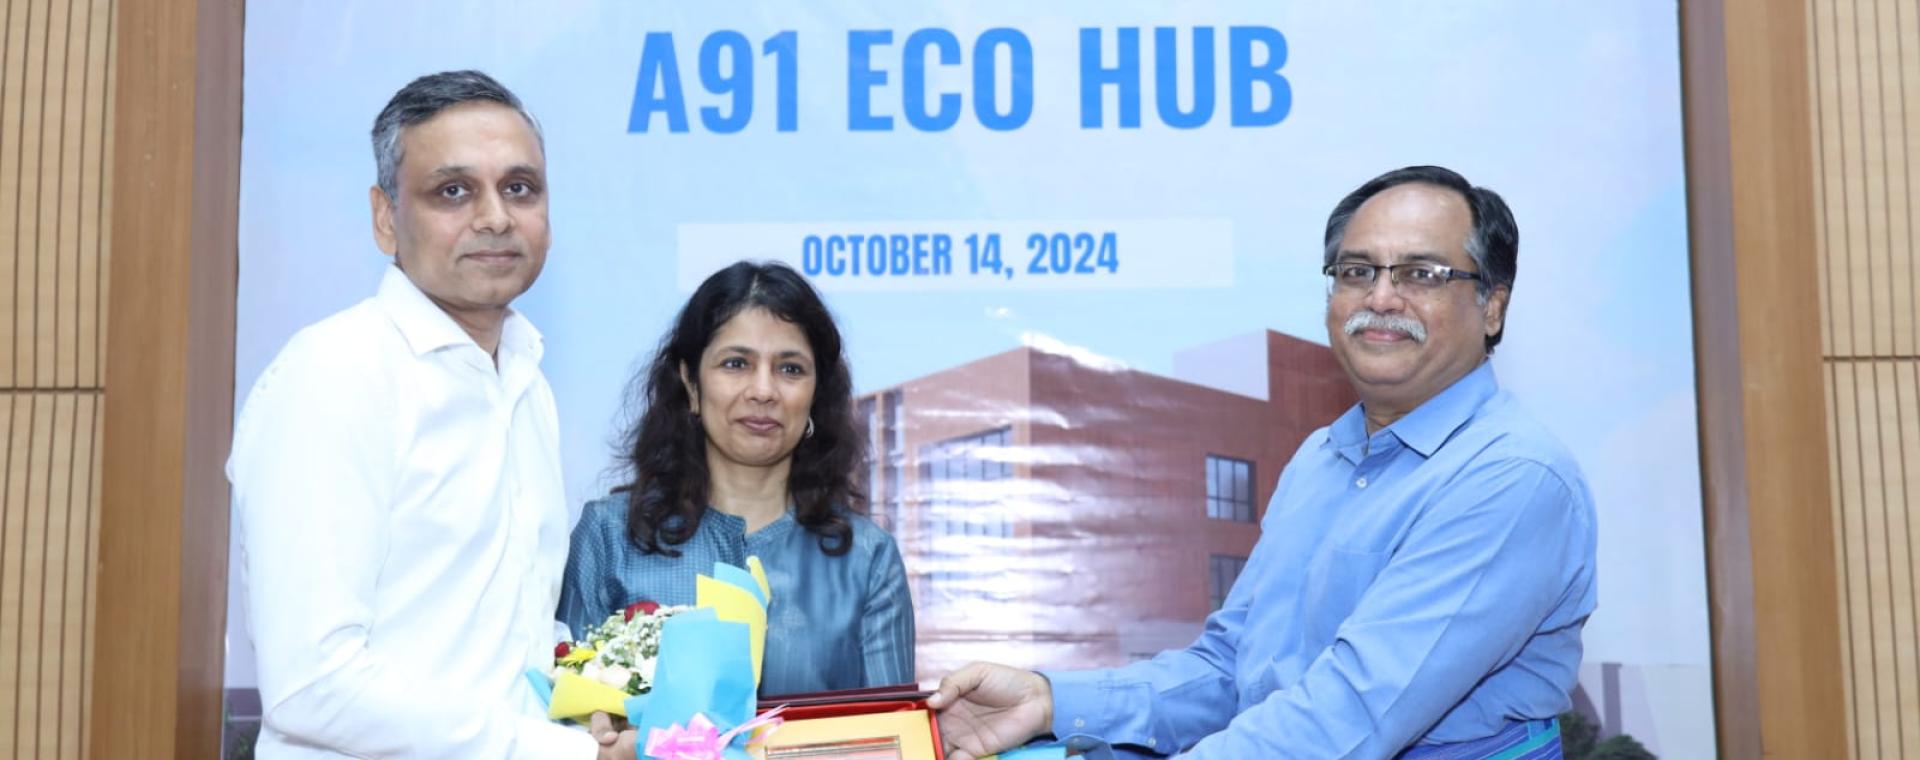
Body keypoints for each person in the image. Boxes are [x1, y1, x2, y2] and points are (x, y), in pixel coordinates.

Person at [928, 166, 1599, 759]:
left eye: (1421, 274)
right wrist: (1050, 702)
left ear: (1493, 306)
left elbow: (1350, 716)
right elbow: (1232, 668)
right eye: (1357, 271)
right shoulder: (1321, 459)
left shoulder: (1512, 477)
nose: (1382, 298)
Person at [229, 70, 634, 758]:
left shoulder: (525, 381)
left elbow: (507, 633)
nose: (495, 217)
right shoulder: (336, 374)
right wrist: (553, 754)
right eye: (453, 191)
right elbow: (312, 685)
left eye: (519, 188)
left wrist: (590, 705)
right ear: (386, 218)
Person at [557, 260, 915, 696]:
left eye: (790, 369)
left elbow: (895, 737)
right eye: (736, 363)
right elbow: (568, 722)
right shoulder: (611, 536)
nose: (763, 390)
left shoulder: (865, 558)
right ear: (691, 383)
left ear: (816, 393)